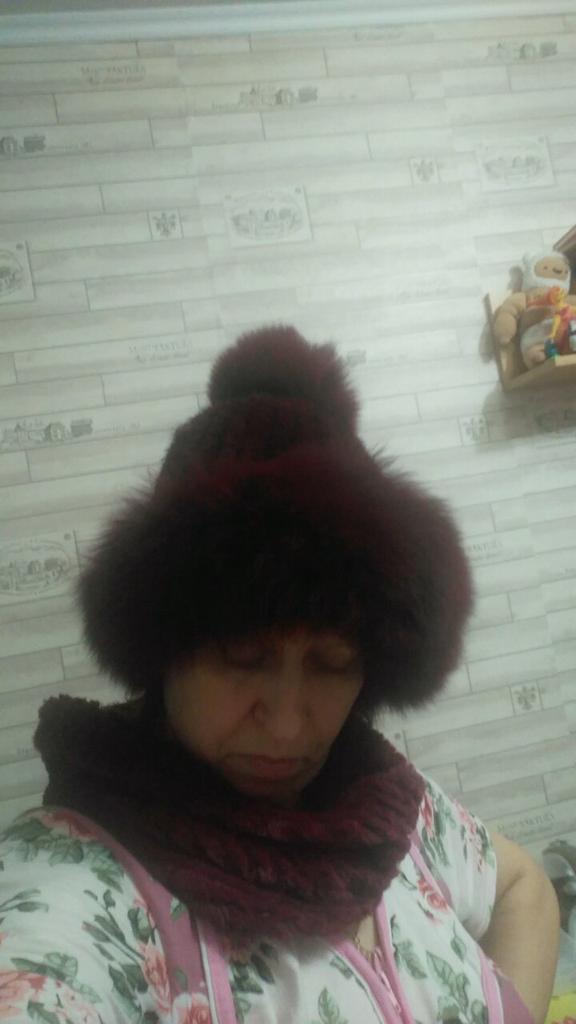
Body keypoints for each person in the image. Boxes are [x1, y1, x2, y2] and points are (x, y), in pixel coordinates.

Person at [0, 326, 560, 1024]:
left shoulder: (388, 801)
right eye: (241, 656)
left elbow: (523, 885)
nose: (291, 726)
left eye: (334, 664)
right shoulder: (80, 877)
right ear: (163, 647)